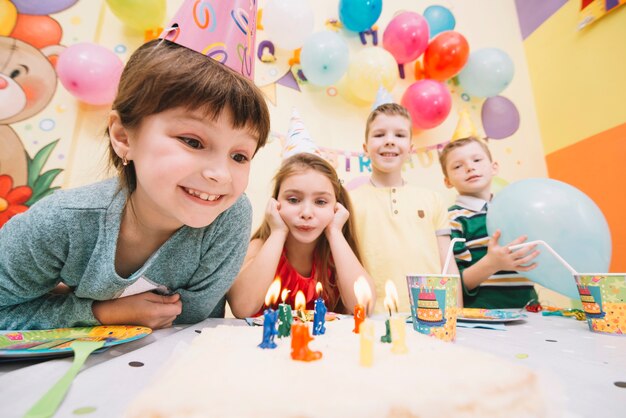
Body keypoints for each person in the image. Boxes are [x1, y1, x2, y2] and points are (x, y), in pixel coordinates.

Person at [0, 37, 270, 330]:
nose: (221, 175)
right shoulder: (60, 222)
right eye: (193, 141)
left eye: (240, 156)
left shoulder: (228, 216)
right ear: (123, 136)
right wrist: (102, 313)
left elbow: (191, 321)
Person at [227, 153, 375, 317]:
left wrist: (335, 232)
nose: (306, 213)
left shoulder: (336, 255)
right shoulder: (260, 248)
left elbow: (364, 307)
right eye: (293, 200)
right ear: (275, 203)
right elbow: (242, 309)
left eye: (320, 202)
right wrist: (277, 232)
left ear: (336, 207)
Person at [349, 103, 458, 313]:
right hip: (373, 315)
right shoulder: (349, 202)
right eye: (379, 134)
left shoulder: (433, 199)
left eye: (399, 135)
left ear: (410, 149)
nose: (389, 141)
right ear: (365, 147)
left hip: (433, 313)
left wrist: (457, 314)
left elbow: (448, 263)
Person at [439, 136, 540, 308]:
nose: (470, 167)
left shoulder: (515, 212)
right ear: (447, 181)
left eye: (477, 160)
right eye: (458, 166)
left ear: (494, 168)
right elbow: (453, 284)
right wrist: (492, 263)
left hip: (529, 311)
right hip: (484, 318)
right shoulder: (452, 220)